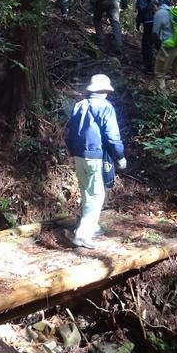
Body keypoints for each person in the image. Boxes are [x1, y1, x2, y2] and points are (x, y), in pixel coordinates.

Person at [65, 74, 126, 250]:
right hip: (94, 156)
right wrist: (120, 156)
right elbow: (112, 136)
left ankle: (94, 226)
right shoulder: (105, 107)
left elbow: (71, 132)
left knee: (87, 192)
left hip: (78, 156)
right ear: (105, 91)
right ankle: (83, 235)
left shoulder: (79, 105)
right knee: (96, 196)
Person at [134, 0, 170, 74]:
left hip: (150, 20)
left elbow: (142, 9)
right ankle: (165, 68)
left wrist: (138, 21)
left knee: (147, 43)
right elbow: (167, 2)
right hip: (163, 18)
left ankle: (149, 68)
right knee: (159, 43)